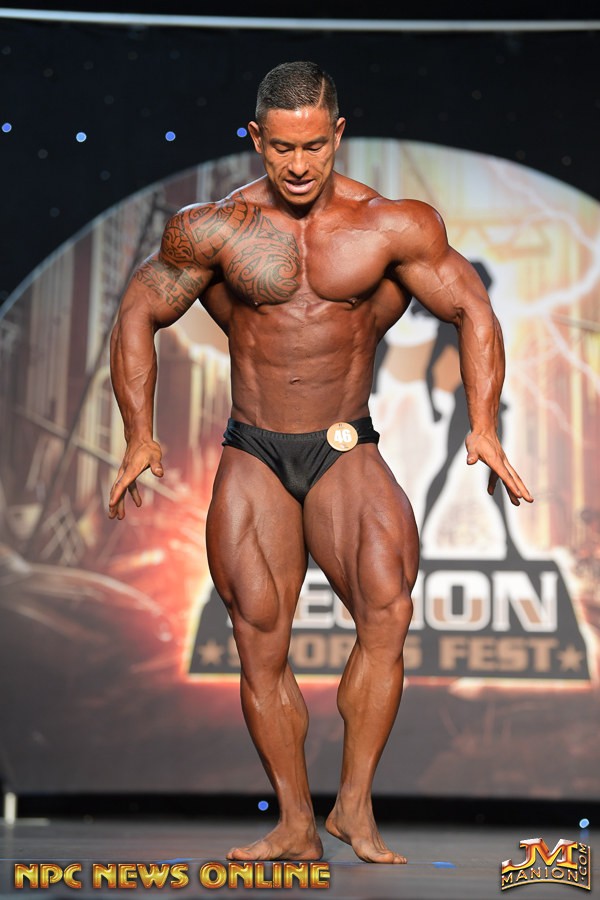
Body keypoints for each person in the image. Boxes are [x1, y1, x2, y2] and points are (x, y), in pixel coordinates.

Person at [108, 61, 533, 864]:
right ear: (255, 138)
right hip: (255, 447)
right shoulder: (214, 229)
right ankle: (296, 821)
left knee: (388, 609)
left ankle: (354, 806)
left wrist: (483, 425)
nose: (299, 165)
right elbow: (139, 307)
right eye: (281, 148)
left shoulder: (391, 226)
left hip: (344, 443)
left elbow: (471, 306)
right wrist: (139, 432)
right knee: (258, 633)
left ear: (337, 134)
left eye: (313, 146)